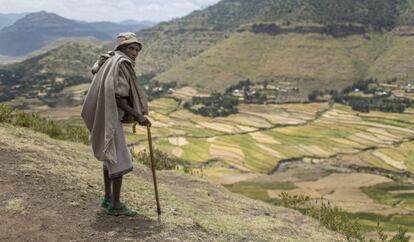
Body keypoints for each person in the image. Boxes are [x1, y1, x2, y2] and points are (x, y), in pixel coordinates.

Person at [81, 32, 151, 216]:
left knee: (109, 158)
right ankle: (116, 205)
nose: (135, 52)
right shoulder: (121, 63)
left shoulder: (109, 59)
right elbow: (117, 97)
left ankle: (107, 198)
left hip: (102, 115)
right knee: (119, 160)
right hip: (110, 117)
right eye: (131, 48)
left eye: (137, 49)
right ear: (121, 48)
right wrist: (138, 116)